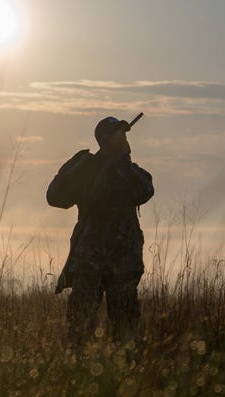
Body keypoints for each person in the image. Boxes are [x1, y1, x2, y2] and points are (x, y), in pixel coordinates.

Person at [46, 116, 154, 344]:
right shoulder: (87, 168)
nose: (125, 139)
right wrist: (73, 168)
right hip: (90, 263)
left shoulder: (129, 172)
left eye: (124, 135)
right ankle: (78, 372)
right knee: (80, 329)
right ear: (107, 140)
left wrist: (120, 163)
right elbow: (55, 197)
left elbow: (145, 191)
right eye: (120, 135)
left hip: (123, 264)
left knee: (125, 332)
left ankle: (123, 373)